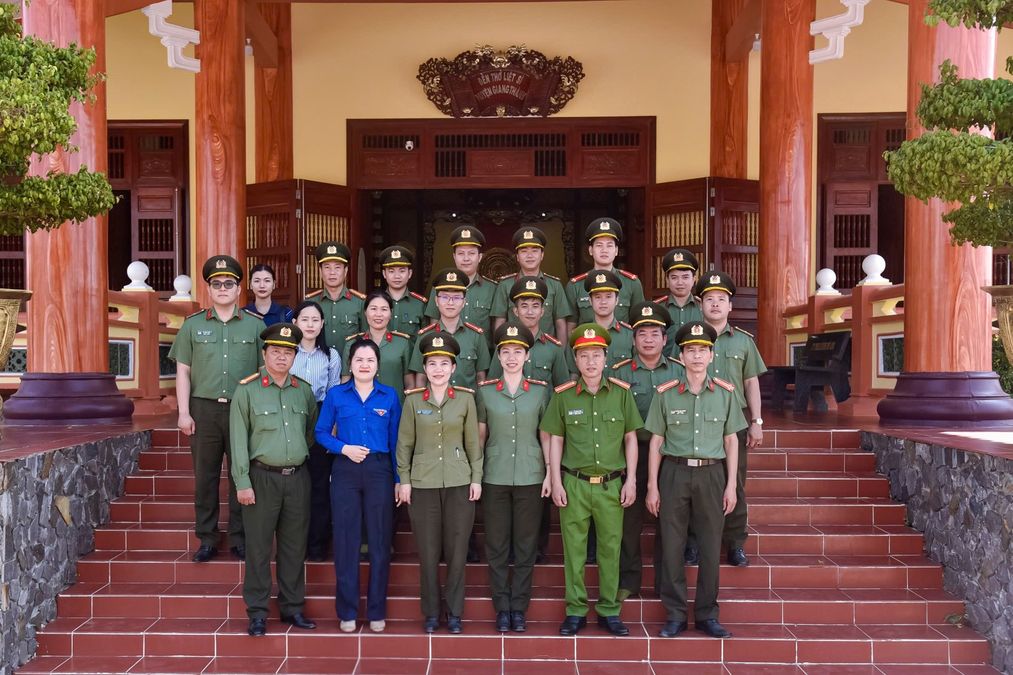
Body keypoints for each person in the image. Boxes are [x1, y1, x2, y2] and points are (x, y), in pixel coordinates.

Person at [539, 323, 642, 637]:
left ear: (605, 357)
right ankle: (576, 609)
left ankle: (609, 609)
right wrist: (555, 480)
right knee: (575, 550)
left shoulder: (621, 395)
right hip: (575, 484)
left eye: (596, 355)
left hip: (612, 485)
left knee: (611, 548)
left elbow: (631, 439)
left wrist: (632, 480)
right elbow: (554, 439)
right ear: (575, 360)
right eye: (584, 356)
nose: (591, 362)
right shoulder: (564, 397)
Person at [645, 321, 744, 639]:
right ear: (682, 356)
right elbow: (656, 441)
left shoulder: (726, 394)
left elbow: (732, 441)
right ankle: (674, 614)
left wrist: (731, 485)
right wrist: (652, 485)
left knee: (711, 546)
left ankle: (706, 614)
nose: (697, 356)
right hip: (674, 472)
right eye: (691, 350)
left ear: (712, 355)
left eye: (703, 350)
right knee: (672, 546)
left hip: (712, 474)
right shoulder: (666, 394)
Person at [169, 255, 265, 563]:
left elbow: (264, 374)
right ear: (209, 289)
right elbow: (183, 371)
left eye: (229, 283)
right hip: (204, 409)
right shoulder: (193, 325)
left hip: (242, 410)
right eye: (216, 284)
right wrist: (183, 412)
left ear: (239, 290)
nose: (222, 288)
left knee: (242, 475)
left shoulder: (255, 326)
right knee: (205, 477)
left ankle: (240, 537)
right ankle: (207, 538)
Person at [230, 322, 319, 637]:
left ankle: (292, 607)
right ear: (265, 353)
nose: (282, 357)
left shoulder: (303, 391)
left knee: (294, 547)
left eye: (288, 352)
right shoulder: (247, 390)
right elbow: (238, 441)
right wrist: (242, 482)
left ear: (295, 356)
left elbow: (310, 433)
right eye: (276, 351)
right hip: (261, 478)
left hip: (297, 478)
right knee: (258, 548)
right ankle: (257, 612)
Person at [396, 331, 483, 634]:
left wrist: (477, 478)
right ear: (424, 368)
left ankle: (455, 612)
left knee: (457, 551)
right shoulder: (412, 402)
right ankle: (431, 612)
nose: (438, 369)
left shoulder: (466, 400)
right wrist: (404, 481)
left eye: (444, 363)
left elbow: (474, 444)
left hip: (460, 482)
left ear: (453, 368)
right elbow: (404, 444)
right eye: (432, 364)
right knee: (429, 552)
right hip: (422, 484)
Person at [679, 271, 766, 567]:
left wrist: (757, 421)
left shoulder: (742, 342)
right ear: (699, 304)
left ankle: (734, 542)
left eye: (722, 300)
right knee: (694, 483)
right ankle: (693, 543)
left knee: (734, 481)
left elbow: (751, 382)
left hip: (733, 421)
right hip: (694, 417)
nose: (715, 304)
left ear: (730, 306)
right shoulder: (688, 341)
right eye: (709, 299)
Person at [316, 337, 401, 634]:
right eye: (359, 360)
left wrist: (398, 479)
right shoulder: (337, 395)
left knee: (379, 543)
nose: (364, 365)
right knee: (346, 541)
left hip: (379, 471)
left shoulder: (389, 396)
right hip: (345, 471)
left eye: (370, 360)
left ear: (378, 366)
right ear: (350, 364)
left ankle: (377, 611)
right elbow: (321, 432)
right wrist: (343, 448)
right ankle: (348, 611)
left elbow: (395, 442)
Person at [477, 322, 551, 633]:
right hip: (494, 475)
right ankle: (501, 606)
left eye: (517, 351)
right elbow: (480, 437)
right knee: (496, 545)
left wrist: (549, 473)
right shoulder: (484, 393)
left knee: (525, 545)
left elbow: (546, 434)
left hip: (531, 476)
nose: (511, 357)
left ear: (527, 355)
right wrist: (475, 475)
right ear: (498, 354)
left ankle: (518, 607)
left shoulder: (540, 391)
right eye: (505, 351)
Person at [612, 301, 682, 599]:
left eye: (655, 334)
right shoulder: (619, 373)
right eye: (642, 334)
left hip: (671, 455)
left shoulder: (679, 371)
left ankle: (665, 584)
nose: (649, 339)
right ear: (633, 338)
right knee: (629, 521)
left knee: (669, 521)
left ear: (665, 339)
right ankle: (629, 582)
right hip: (632, 453)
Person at [290, 300, 343, 562]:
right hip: (291, 415)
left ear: (322, 324)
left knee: (320, 484)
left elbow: (334, 393)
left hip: (321, 417)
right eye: (304, 319)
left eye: (315, 320)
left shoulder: (331, 355)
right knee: (296, 483)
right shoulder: (288, 352)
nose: (310, 325)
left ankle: (318, 543)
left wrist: (331, 428)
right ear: (295, 323)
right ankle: (295, 542)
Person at [410, 268, 491, 390]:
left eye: (457, 297)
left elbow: (481, 377)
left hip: (467, 405)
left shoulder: (476, 336)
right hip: (432, 405)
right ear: (436, 301)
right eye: (444, 297)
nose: (450, 302)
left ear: (464, 302)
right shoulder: (425, 336)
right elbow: (420, 377)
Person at [490, 226, 572, 344]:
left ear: (542, 255)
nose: (530, 255)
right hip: (514, 350)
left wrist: (561, 355)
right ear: (517, 257)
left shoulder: (555, 285)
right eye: (524, 251)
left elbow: (560, 323)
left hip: (547, 351)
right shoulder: (505, 285)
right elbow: (500, 321)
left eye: (534, 251)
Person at [487, 276, 570, 387]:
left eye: (535, 306)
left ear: (542, 311)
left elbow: (563, 388)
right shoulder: (503, 346)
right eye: (524, 306)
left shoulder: (554, 348)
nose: (530, 312)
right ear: (516, 311)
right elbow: (492, 385)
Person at [423, 226, 498, 346]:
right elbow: (434, 323)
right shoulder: (439, 287)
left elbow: (496, 327)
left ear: (479, 257)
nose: (466, 258)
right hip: (445, 354)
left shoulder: (492, 289)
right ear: (454, 256)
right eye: (461, 253)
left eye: (471, 253)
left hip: (481, 356)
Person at [565, 218, 644, 329]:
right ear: (590, 250)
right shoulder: (575, 286)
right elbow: (571, 326)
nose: (604, 250)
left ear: (616, 250)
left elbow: (639, 324)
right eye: (599, 245)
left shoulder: (632, 283)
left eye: (609, 245)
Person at [342, 289, 414, 399]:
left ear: (391, 313)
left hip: (394, 409)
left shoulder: (402, 343)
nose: (378, 314)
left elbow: (409, 383)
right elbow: (345, 381)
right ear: (365, 312)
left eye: (384, 309)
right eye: (373, 309)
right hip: (360, 410)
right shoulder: (352, 343)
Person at [564, 270, 634, 373]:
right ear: (590, 300)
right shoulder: (579, 335)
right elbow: (572, 375)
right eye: (597, 297)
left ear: (617, 300)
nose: (603, 302)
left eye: (608, 296)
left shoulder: (630, 335)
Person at [306, 241, 365, 348]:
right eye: (327, 267)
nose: (332, 272)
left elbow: (366, 338)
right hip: (319, 363)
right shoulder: (310, 302)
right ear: (320, 271)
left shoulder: (360, 303)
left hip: (349, 363)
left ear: (345, 271)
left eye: (337, 267)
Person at [654, 249, 704, 356]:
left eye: (685, 277)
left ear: (694, 279)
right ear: (667, 280)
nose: (680, 282)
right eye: (674, 277)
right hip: (665, 369)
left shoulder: (703, 307)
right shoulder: (657, 309)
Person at [378, 245, 428, 341]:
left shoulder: (420, 304)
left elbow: (424, 339)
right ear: (384, 274)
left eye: (402, 271)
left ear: (410, 273)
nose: (397, 276)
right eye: (391, 271)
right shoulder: (375, 302)